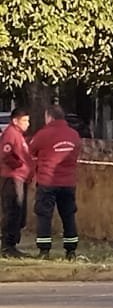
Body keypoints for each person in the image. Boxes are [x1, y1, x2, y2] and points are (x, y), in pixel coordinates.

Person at [28, 106, 82, 261]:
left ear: (49, 117)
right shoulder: (73, 135)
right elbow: (76, 151)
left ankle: (44, 251)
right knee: (68, 216)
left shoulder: (43, 134)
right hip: (68, 183)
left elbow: (31, 151)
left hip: (47, 182)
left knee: (44, 216)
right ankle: (71, 251)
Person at [1, 108, 32, 257]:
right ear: (15, 121)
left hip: (20, 177)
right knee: (12, 211)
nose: (28, 124)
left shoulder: (19, 135)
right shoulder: (11, 134)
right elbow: (5, 154)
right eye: (24, 120)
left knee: (19, 212)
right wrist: (19, 166)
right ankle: (8, 246)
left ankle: (12, 244)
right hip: (12, 177)